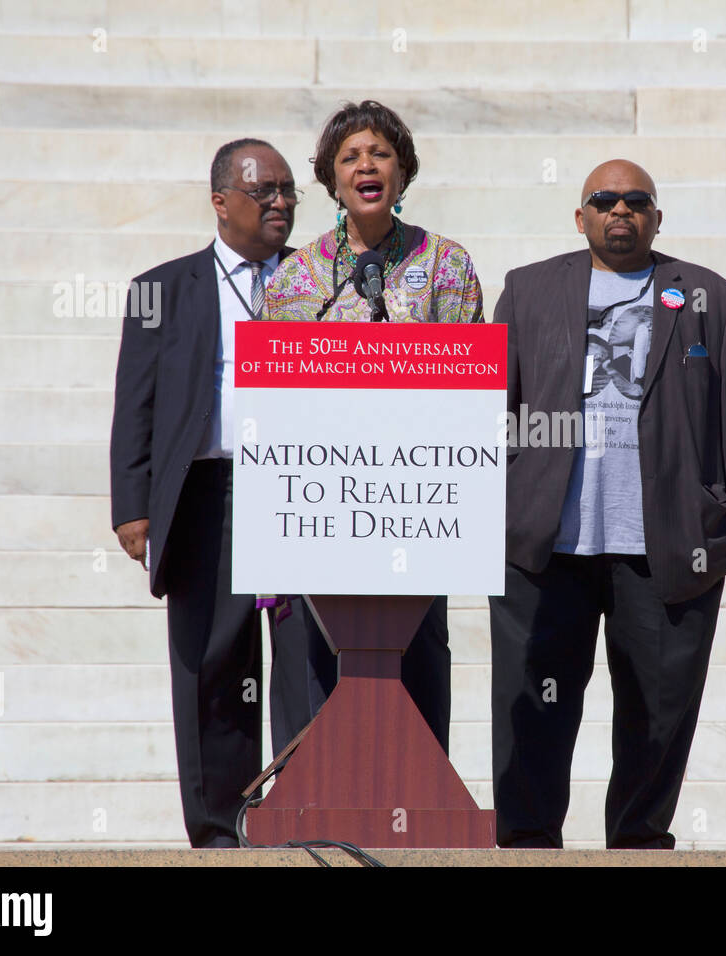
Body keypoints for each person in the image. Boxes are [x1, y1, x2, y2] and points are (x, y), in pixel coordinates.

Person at [489, 159, 726, 849]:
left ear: (657, 218)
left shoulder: (711, 300)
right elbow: (496, 414)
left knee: (657, 712)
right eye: (603, 200)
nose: (620, 210)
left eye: (636, 201)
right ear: (579, 217)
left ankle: (638, 849)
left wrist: (725, 524)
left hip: (665, 543)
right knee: (533, 707)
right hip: (547, 543)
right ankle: (525, 850)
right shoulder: (528, 291)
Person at [110, 138, 314, 847]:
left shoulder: (319, 282)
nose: (283, 202)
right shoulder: (161, 289)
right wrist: (132, 506)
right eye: (266, 192)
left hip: (302, 488)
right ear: (222, 202)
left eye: (290, 191)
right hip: (208, 493)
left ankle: (304, 819)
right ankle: (220, 835)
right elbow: (135, 402)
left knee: (307, 661)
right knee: (211, 668)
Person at [264, 100, 484, 752]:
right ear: (331, 179)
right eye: (350, 156)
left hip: (412, 506)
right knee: (316, 665)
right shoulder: (297, 278)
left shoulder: (446, 265)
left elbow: (472, 391)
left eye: (380, 153)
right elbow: (275, 402)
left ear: (403, 169)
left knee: (414, 666)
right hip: (322, 505)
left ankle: (418, 816)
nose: (367, 165)